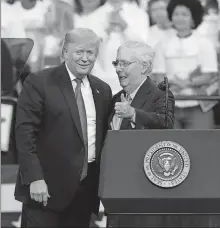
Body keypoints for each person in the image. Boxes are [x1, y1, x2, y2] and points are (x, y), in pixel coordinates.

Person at [14, 28, 112, 227]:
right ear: (65, 52)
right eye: (79, 52)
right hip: (44, 191)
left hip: (84, 194)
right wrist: (34, 178)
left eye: (90, 53)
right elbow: (25, 134)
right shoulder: (39, 82)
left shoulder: (103, 89)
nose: (85, 58)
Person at [153, 0, 218, 129]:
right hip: (170, 107)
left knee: (200, 147)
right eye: (176, 14)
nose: (180, 18)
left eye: (185, 14)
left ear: (193, 17)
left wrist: (187, 83)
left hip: (199, 106)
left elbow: (210, 75)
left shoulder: (204, 43)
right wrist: (173, 83)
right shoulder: (162, 43)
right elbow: (158, 76)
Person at [109, 41, 175, 130]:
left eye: (124, 64)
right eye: (116, 63)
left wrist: (133, 114)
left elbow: (166, 123)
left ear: (144, 67)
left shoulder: (160, 94)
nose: (117, 69)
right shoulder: (116, 98)